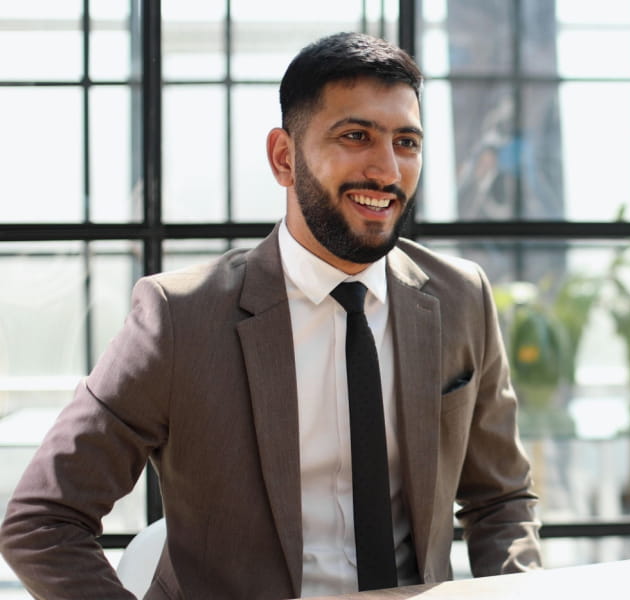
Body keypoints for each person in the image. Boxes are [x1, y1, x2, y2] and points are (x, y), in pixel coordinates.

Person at [0, 32, 541, 599]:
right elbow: (43, 522)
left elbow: (501, 500)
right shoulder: (180, 317)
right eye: (355, 136)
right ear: (285, 157)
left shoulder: (460, 297)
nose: (387, 170)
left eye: (406, 142)